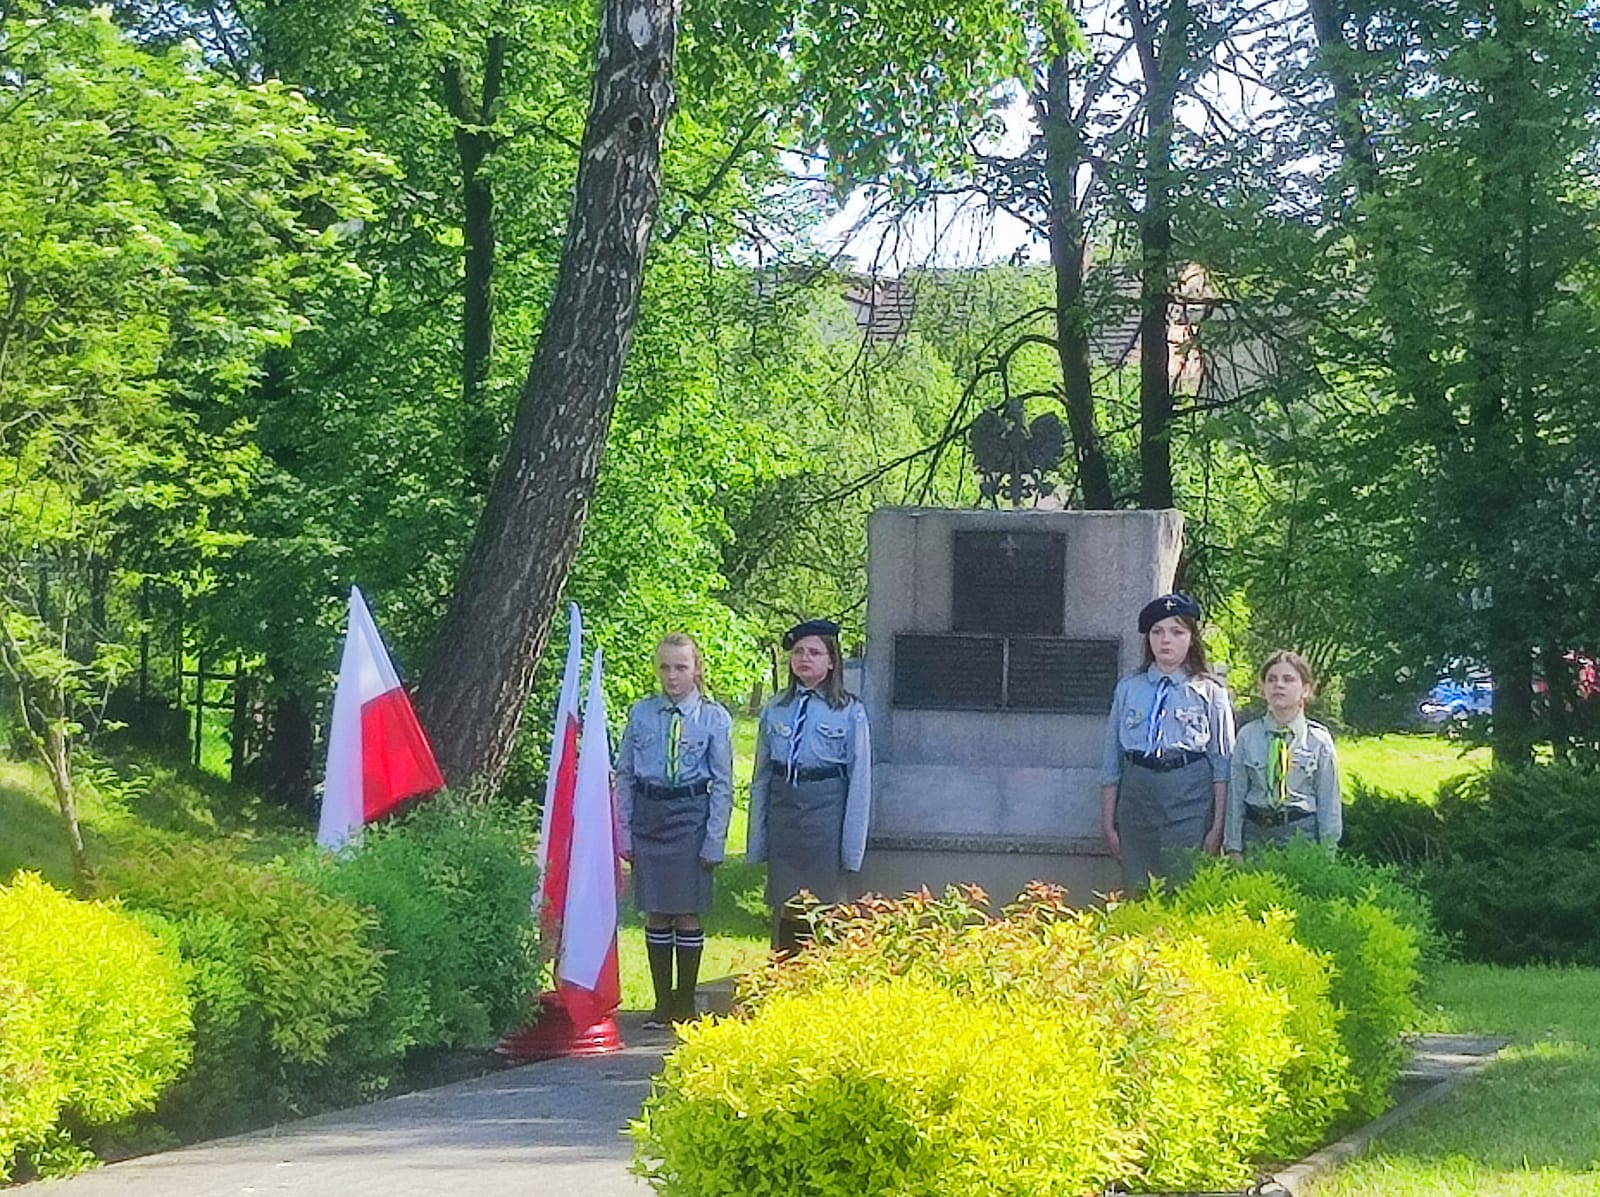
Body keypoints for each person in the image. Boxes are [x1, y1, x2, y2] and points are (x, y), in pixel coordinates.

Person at [614, 633, 734, 1027]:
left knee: (686, 911)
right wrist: (624, 832)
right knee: (656, 912)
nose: (672, 676)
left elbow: (723, 783)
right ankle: (662, 1001)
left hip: (690, 816)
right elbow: (626, 774)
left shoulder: (713, 718)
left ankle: (685, 1001)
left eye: (681, 667)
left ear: (696, 668)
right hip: (651, 815)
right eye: (664, 667)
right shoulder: (642, 713)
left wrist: (714, 838)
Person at [746, 618, 872, 953]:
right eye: (799, 652)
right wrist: (756, 840)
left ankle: (817, 984)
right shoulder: (776, 709)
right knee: (786, 906)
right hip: (785, 812)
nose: (805, 658)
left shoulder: (848, 711)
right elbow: (760, 777)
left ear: (832, 661)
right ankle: (782, 980)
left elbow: (860, 782)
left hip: (825, 812)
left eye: (815, 652)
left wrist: (851, 850)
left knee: (821, 906)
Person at [1100, 592, 1236, 894]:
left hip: (1189, 798)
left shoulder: (1210, 692)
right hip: (1138, 798)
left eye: (1177, 632)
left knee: (1185, 883)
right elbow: (1112, 760)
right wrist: (1108, 824)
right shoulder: (1129, 689)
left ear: (1191, 638)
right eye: (1157, 632)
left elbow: (1222, 763)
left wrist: (1218, 826)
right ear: (1148, 639)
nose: (1166, 641)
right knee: (1139, 887)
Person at [1224, 650, 1342, 857]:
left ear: (1305, 690)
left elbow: (1329, 803)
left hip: (1300, 834)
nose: (1279, 685)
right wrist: (1233, 847)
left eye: (1288, 679)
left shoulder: (1318, 741)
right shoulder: (1247, 736)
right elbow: (1236, 794)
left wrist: (1327, 854)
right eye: (1271, 680)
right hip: (1255, 834)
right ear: (1263, 689)